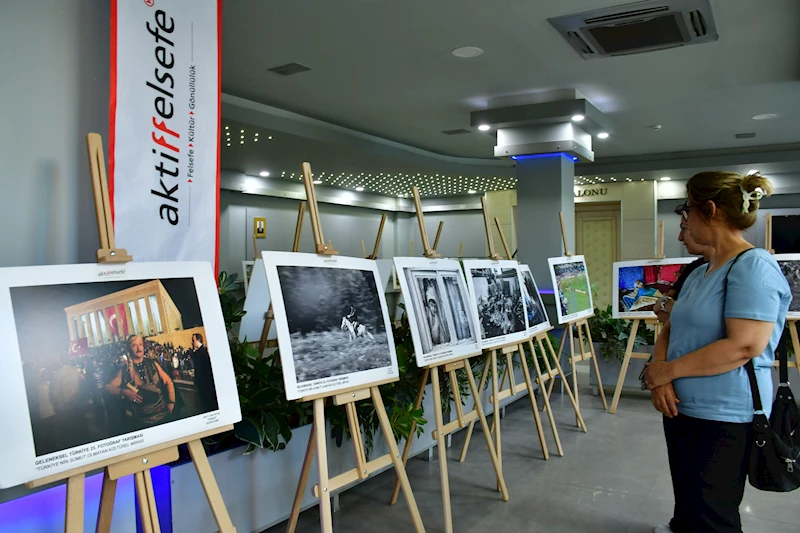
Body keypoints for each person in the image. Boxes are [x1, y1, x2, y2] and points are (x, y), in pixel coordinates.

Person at [643, 172, 791, 533]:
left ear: (709, 210)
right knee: (689, 495)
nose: (684, 223)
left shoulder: (753, 266)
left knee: (713, 511)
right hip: (682, 406)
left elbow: (744, 345)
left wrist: (668, 372)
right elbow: (671, 326)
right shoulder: (701, 272)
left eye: (686, 211)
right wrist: (661, 373)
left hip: (725, 413)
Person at [654, 215, 716, 323]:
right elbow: (662, 312)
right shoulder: (694, 268)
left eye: (685, 228)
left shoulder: (732, 268)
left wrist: (667, 304)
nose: (680, 237)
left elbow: (700, 318)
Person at [106, 335, 176, 429]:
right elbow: (108, 387)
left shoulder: (153, 363)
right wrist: (123, 392)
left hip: (163, 418)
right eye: (134, 345)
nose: (138, 348)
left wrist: (171, 402)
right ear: (129, 349)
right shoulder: (124, 370)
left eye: (140, 344)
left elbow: (168, 381)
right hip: (140, 424)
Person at [191, 333, 218, 412]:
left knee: (208, 401)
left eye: (193, 340)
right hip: (201, 380)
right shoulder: (197, 351)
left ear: (198, 340)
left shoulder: (203, 351)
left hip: (205, 380)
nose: (192, 342)